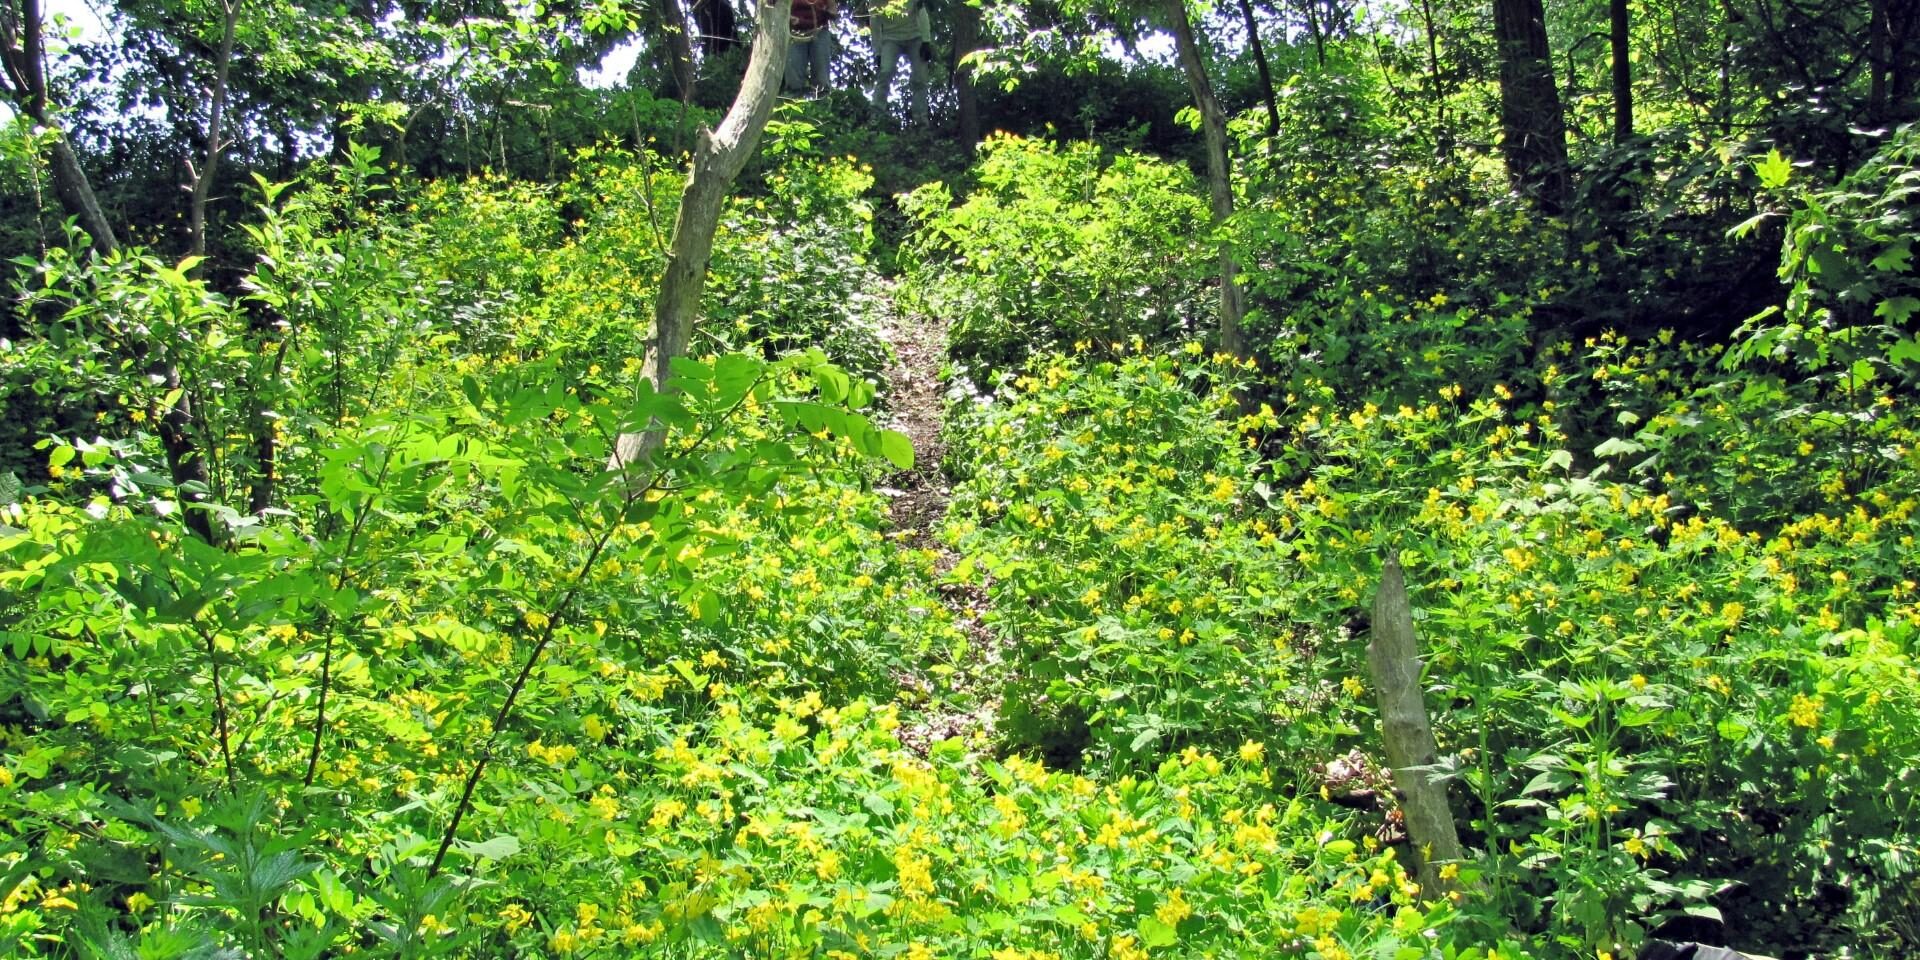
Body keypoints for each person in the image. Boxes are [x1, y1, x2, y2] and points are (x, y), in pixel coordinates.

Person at [867, 0, 930, 125]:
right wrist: (878, 52)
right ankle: (876, 114)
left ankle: (920, 118)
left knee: (920, 76)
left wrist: (926, 40)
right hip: (890, 38)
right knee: (886, 71)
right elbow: (874, 24)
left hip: (915, 36)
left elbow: (921, 11)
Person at [786, 0, 837, 95]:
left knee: (821, 73)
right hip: (795, 32)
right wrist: (787, 17)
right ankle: (793, 101)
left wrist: (830, 12)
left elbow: (832, 7)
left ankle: (822, 102)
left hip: (819, 30)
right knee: (794, 72)